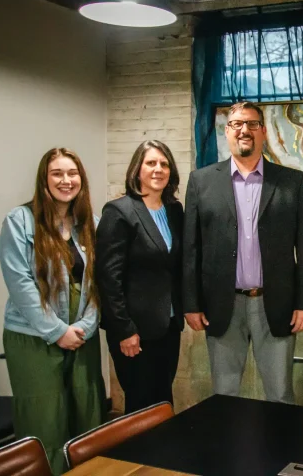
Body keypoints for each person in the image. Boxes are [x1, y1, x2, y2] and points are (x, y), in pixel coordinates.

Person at [183, 101, 303, 404]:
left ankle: (280, 452)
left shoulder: (291, 182)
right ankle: (229, 452)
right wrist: (191, 303)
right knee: (224, 394)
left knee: (280, 393)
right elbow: (192, 249)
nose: (244, 130)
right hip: (221, 303)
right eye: (237, 124)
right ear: (226, 131)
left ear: (264, 132)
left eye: (253, 124)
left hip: (276, 303)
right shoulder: (201, 181)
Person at [0, 148, 104, 474]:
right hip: (34, 337)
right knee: (45, 421)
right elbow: (20, 284)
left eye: (72, 173)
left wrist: (86, 325)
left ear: (81, 180)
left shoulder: (91, 224)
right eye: (57, 173)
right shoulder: (20, 221)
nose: (66, 180)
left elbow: (100, 283)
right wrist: (57, 331)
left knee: (87, 415)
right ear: (44, 179)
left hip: (81, 336)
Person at [96, 141, 184, 414]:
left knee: (163, 398)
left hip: (168, 325)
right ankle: (139, 457)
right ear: (137, 169)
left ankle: (164, 456)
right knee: (141, 403)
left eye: (164, 164)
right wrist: (124, 329)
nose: (158, 169)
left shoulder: (174, 211)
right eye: (151, 163)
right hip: (134, 330)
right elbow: (108, 278)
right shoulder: (119, 211)